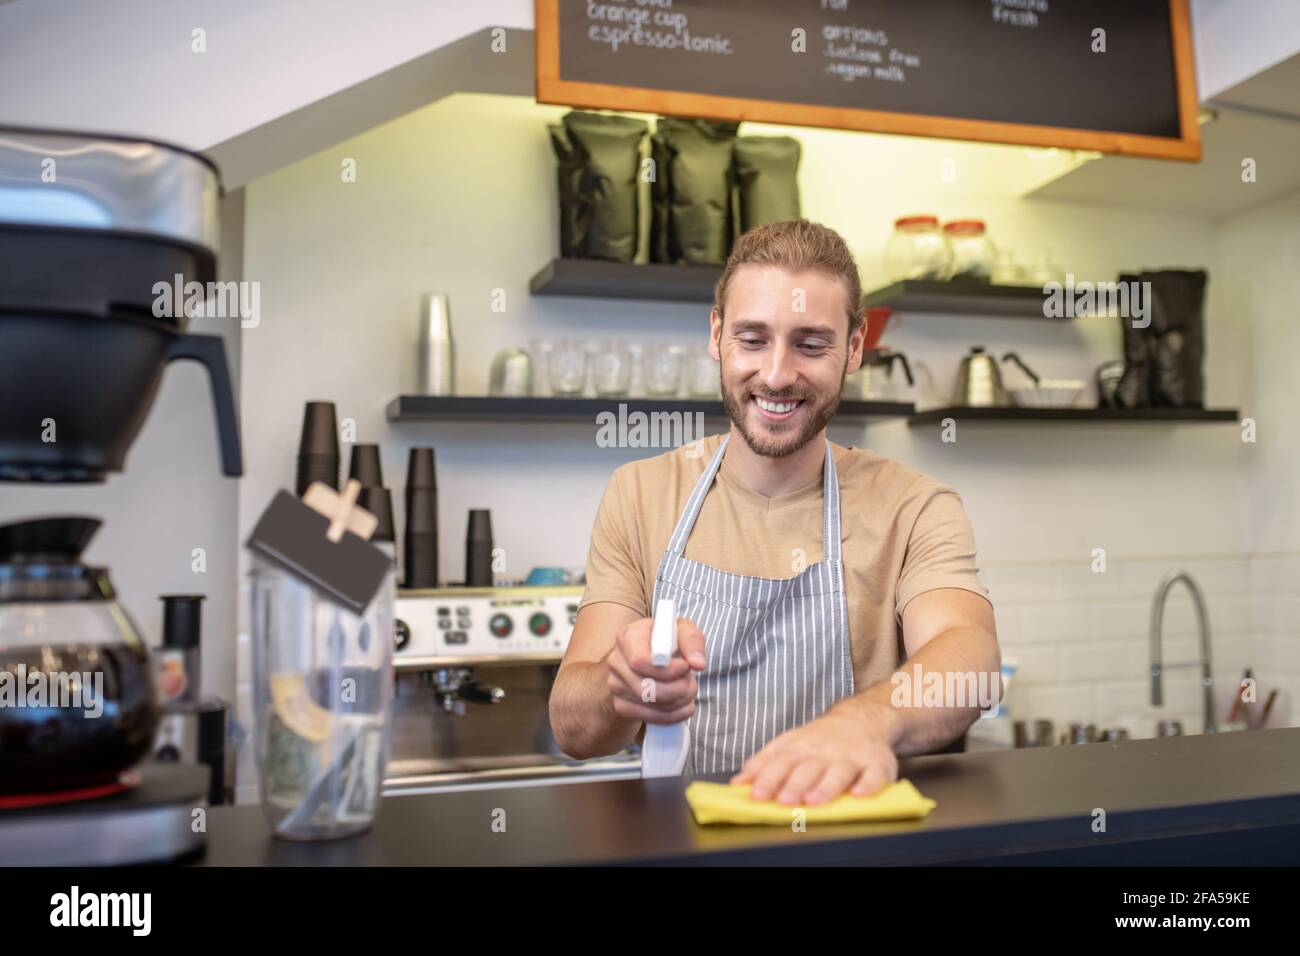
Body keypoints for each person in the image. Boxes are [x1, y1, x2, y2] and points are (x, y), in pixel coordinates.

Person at [550, 219, 999, 805]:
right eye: (753, 339)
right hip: (684, 848)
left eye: (811, 344)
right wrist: (620, 687)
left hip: (855, 850)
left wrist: (863, 724)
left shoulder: (914, 507)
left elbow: (970, 658)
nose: (777, 374)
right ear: (716, 335)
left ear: (856, 346)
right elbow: (570, 725)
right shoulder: (640, 494)